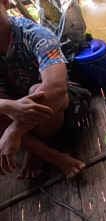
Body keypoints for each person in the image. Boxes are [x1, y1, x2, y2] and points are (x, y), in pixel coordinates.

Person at [0, 0, 85, 179]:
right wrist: (8, 106)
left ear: (5, 3)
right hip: (18, 111)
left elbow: (56, 88)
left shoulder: (36, 34)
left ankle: (36, 150)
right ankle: (54, 157)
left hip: (61, 107)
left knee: (38, 90)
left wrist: (14, 130)